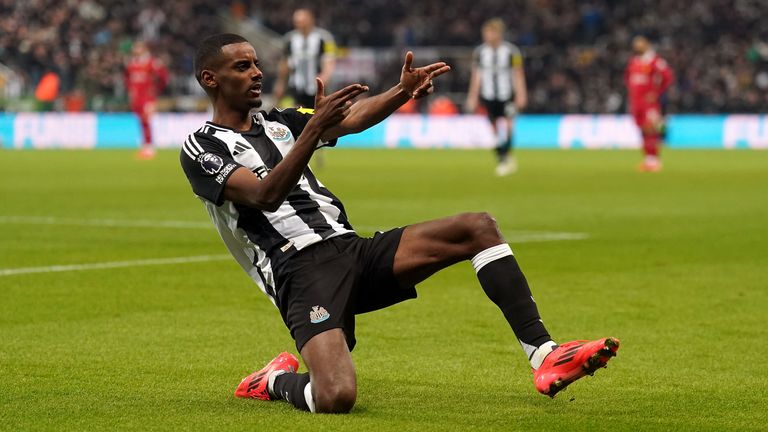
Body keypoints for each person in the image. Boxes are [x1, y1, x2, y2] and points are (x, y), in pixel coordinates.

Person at [180, 33, 619, 414]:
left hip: (352, 249)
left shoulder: (277, 121)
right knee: (336, 396)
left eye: (257, 63)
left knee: (478, 226)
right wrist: (314, 131)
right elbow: (264, 195)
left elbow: (349, 119)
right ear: (210, 80)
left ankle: (545, 354)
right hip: (299, 271)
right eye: (242, 66)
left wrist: (401, 91)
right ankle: (274, 381)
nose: (256, 72)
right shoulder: (201, 146)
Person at [465, 18, 528, 176]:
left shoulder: (511, 51)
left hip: (507, 95)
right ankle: (503, 155)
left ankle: (505, 156)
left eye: (491, 32)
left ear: (499, 33)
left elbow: (518, 74)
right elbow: (476, 76)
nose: (488, 35)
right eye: (486, 32)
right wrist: (472, 96)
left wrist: (521, 94)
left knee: (508, 124)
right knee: (493, 127)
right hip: (488, 95)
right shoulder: (480, 53)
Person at [624, 35, 674, 172]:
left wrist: (657, 93)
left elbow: (667, 76)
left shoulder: (654, 60)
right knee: (642, 130)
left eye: (640, 44)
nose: (637, 46)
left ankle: (654, 160)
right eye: (635, 44)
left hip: (648, 103)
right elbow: (628, 78)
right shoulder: (634, 61)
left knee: (651, 128)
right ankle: (648, 160)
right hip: (636, 102)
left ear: (646, 44)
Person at [273, 8, 336, 109]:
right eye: (296, 22)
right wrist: (280, 84)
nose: (299, 24)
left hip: (317, 87)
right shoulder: (289, 39)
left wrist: (324, 78)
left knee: (317, 115)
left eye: (302, 21)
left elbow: (329, 61)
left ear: (311, 20)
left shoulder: (324, 38)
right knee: (296, 116)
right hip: (295, 87)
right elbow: (284, 63)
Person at [125, 40, 168, 160]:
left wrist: (156, 91)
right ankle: (145, 146)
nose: (135, 49)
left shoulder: (151, 62)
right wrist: (130, 92)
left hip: (147, 98)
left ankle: (149, 148)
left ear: (144, 49)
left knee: (146, 121)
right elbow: (128, 80)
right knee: (141, 122)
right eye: (135, 47)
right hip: (137, 99)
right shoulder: (132, 63)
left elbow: (163, 76)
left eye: (138, 47)